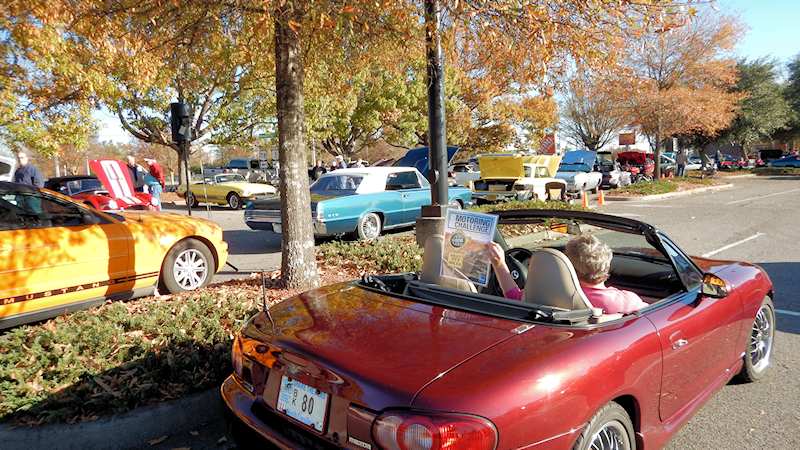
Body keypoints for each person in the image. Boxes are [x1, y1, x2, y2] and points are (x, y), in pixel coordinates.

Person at [487, 234, 648, 315]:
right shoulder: (624, 301)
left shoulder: (550, 296)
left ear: (567, 267)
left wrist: (499, 264)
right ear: (606, 269)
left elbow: (513, 297)